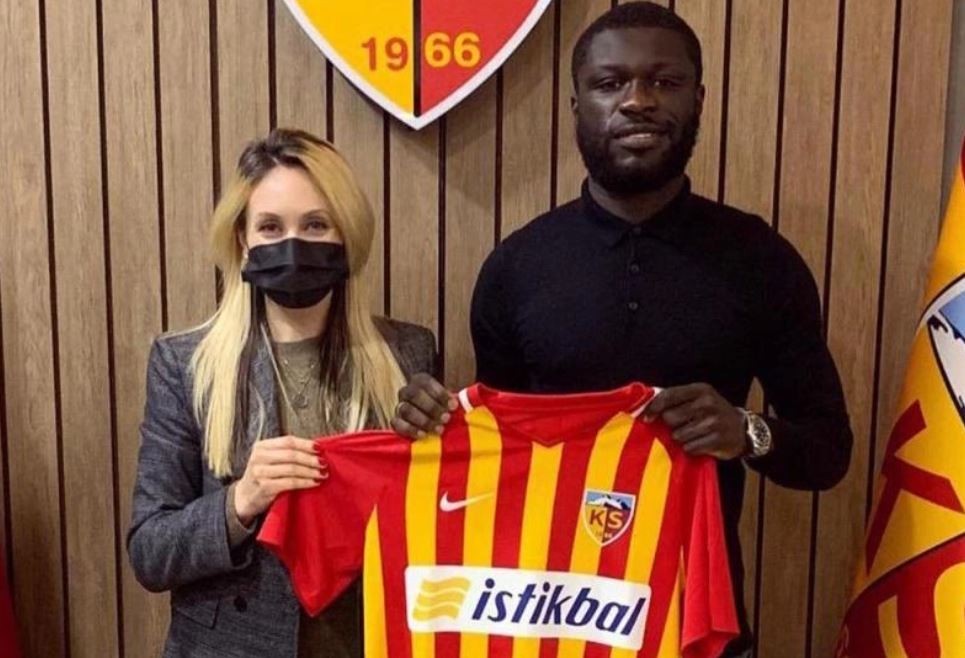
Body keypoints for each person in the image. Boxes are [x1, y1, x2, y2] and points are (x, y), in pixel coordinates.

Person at [391, 3, 853, 656]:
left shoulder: (760, 261)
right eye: (610, 83)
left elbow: (829, 452)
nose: (637, 100)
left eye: (664, 81)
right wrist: (428, 425)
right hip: (544, 622)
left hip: (696, 624)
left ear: (698, 99)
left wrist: (747, 431)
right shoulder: (517, 266)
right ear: (576, 105)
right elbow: (493, 459)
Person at [128, 128, 437, 657]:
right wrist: (239, 502)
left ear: (346, 235)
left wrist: (440, 440)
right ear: (243, 240)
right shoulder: (185, 365)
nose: (293, 245)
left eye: (316, 224)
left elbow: (436, 520)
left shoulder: (407, 353)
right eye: (270, 227)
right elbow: (150, 553)